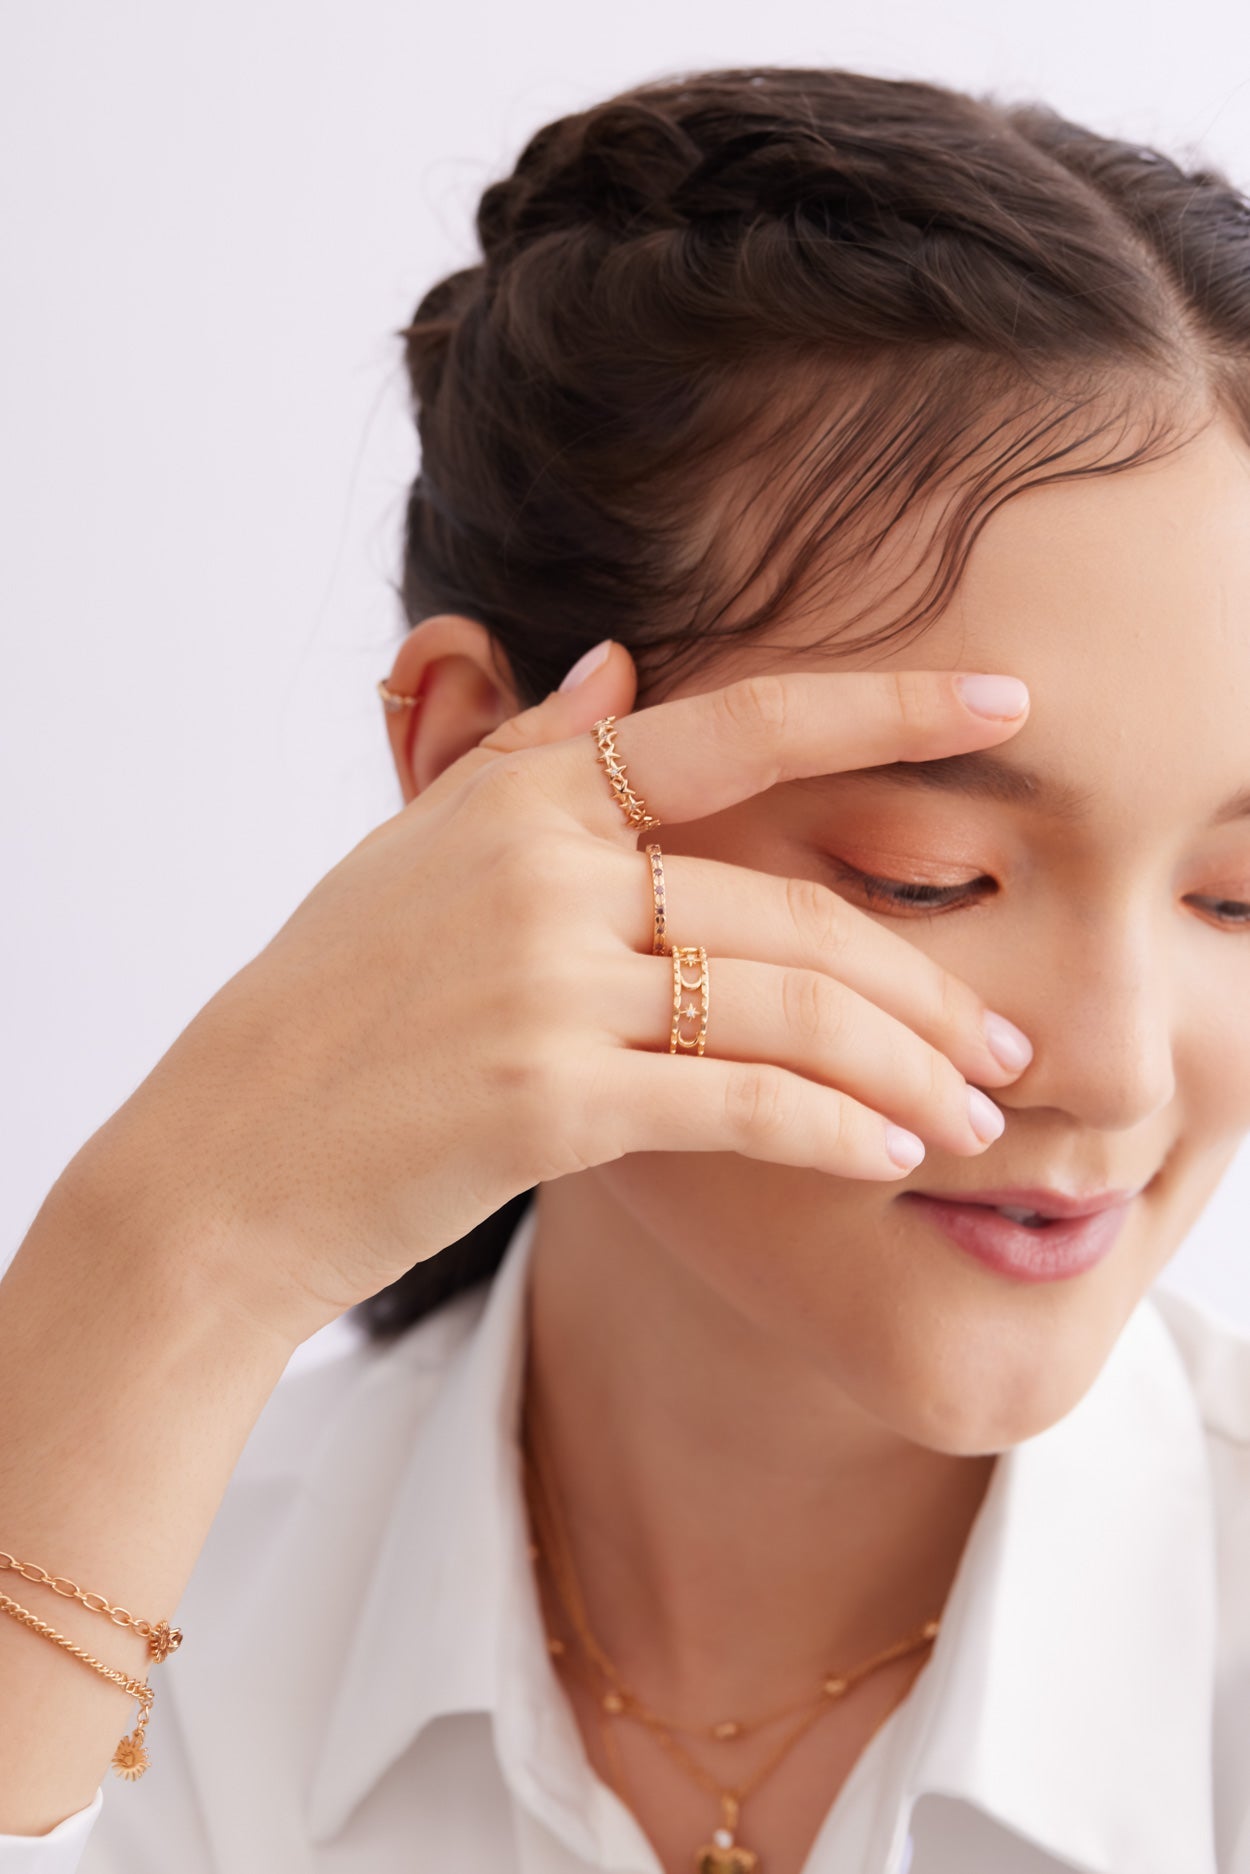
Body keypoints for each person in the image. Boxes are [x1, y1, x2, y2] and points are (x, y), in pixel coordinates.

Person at [2, 60, 1250, 1874]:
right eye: (932, 874)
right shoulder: (156, 1612)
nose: (1119, 1071)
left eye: (1239, 901)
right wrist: (170, 1248)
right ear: (472, 776)